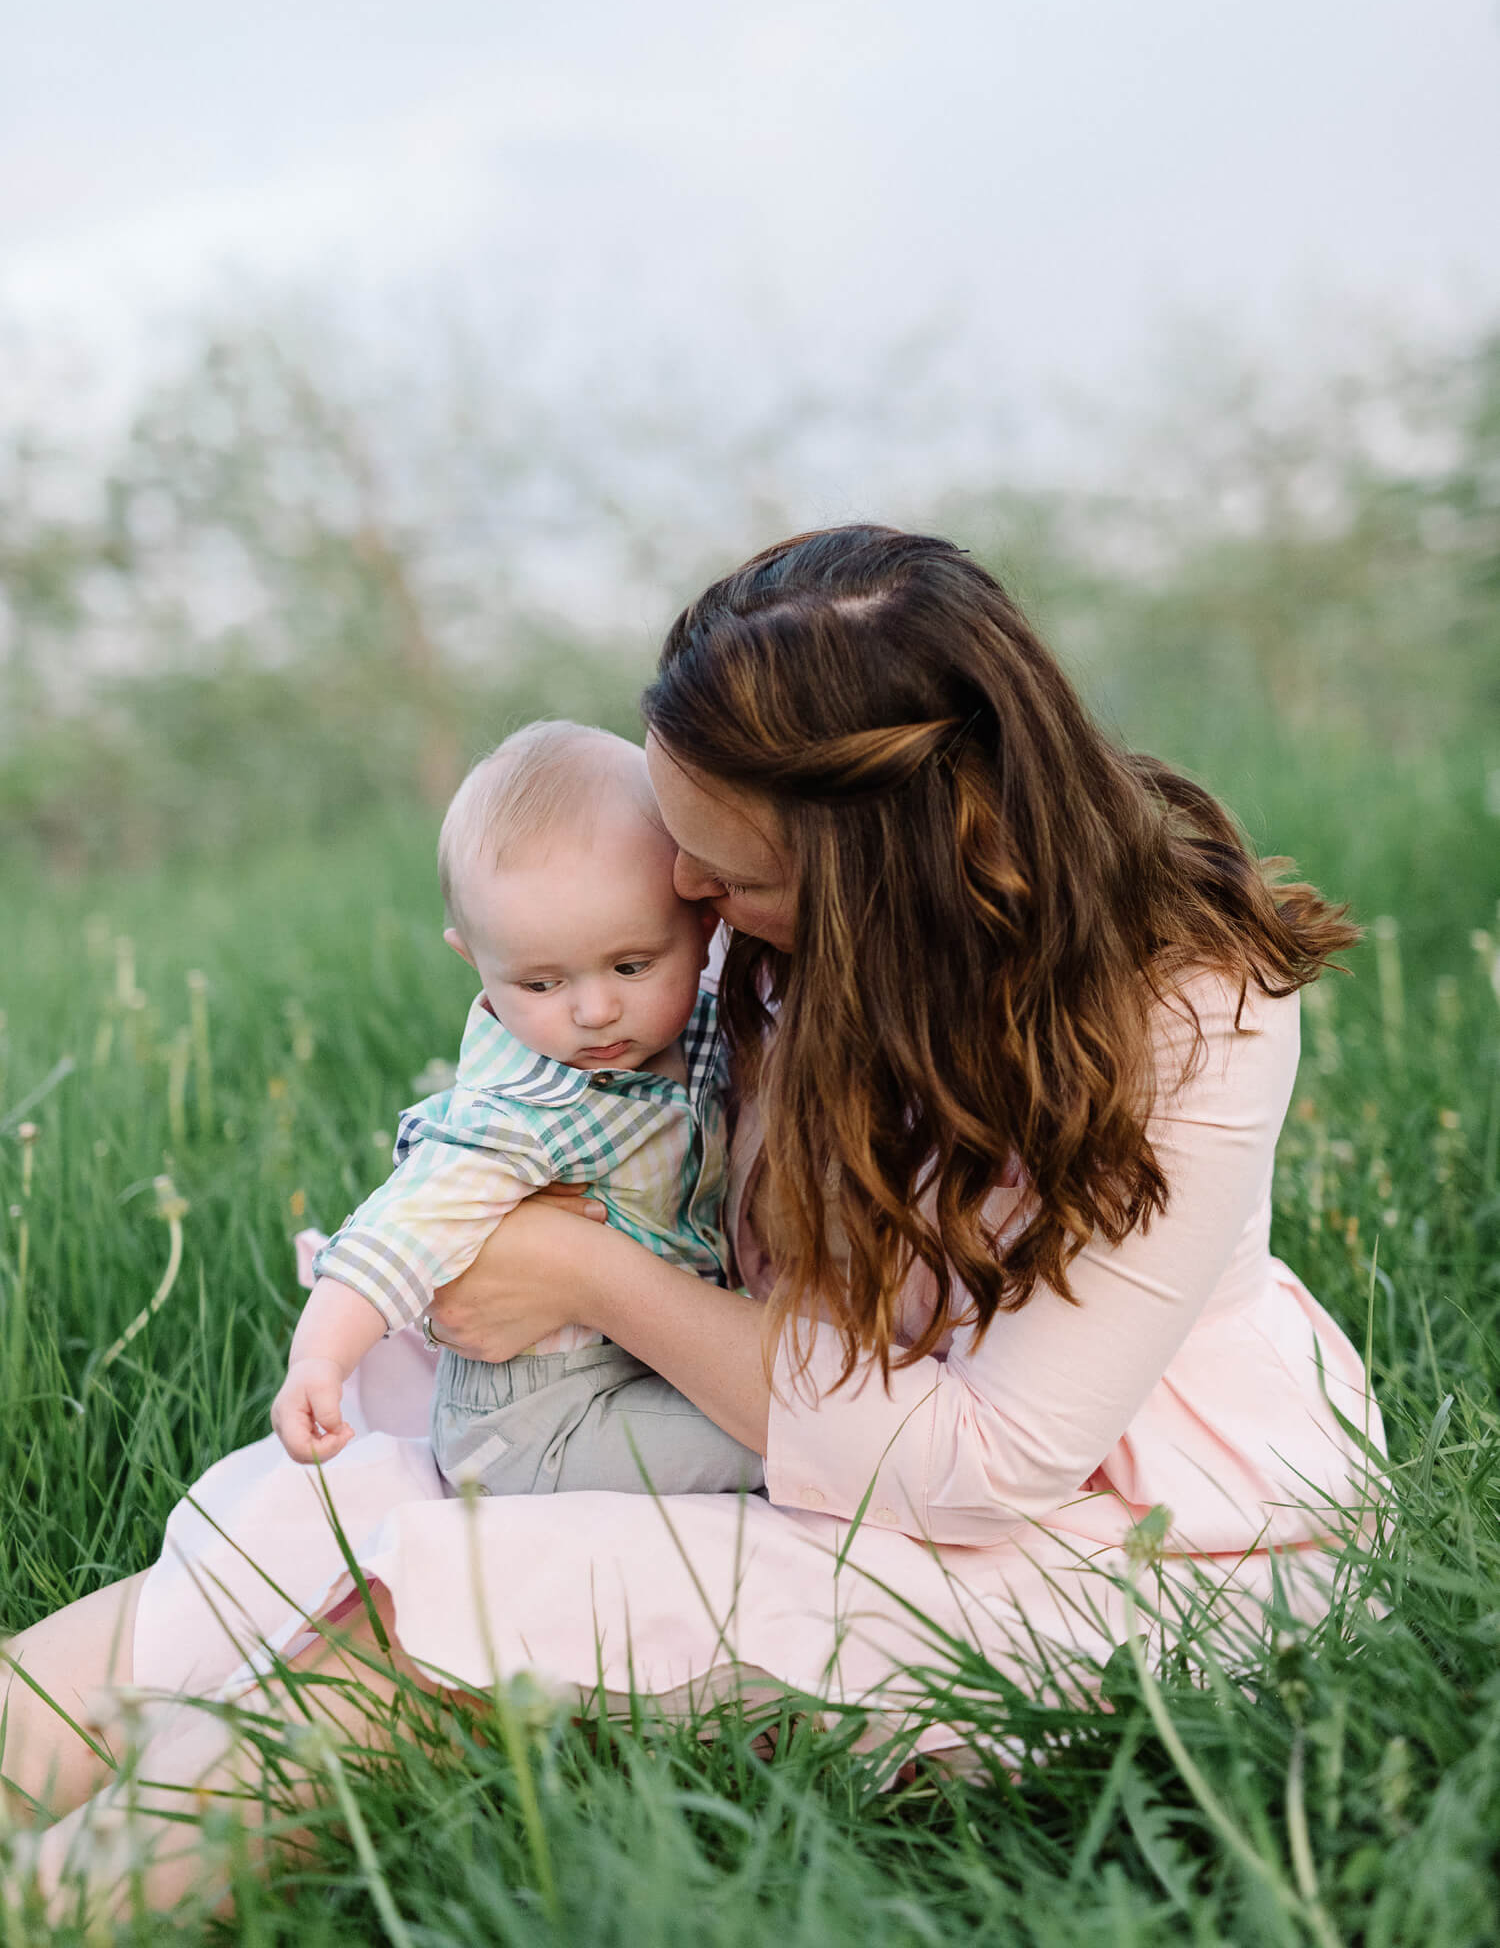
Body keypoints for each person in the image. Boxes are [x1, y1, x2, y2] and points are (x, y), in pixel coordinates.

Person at [0, 525, 1384, 1923]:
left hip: (1084, 1529)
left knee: (439, 1617)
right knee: (305, 1530)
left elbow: (992, 1460)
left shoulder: (1189, 1011)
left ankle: (58, 1905)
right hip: (751, 1415)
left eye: (726, 875)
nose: (691, 904)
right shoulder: (759, 947)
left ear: (880, 878)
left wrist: (583, 1272)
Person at [273, 718, 761, 1500]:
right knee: (792, 1457)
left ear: (704, 927)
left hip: (642, 1362)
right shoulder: (518, 1112)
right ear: (475, 960)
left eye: (632, 964)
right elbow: (398, 1233)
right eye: (541, 984)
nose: (595, 1010)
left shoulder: (700, 1030)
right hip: (543, 1426)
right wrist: (319, 1361)